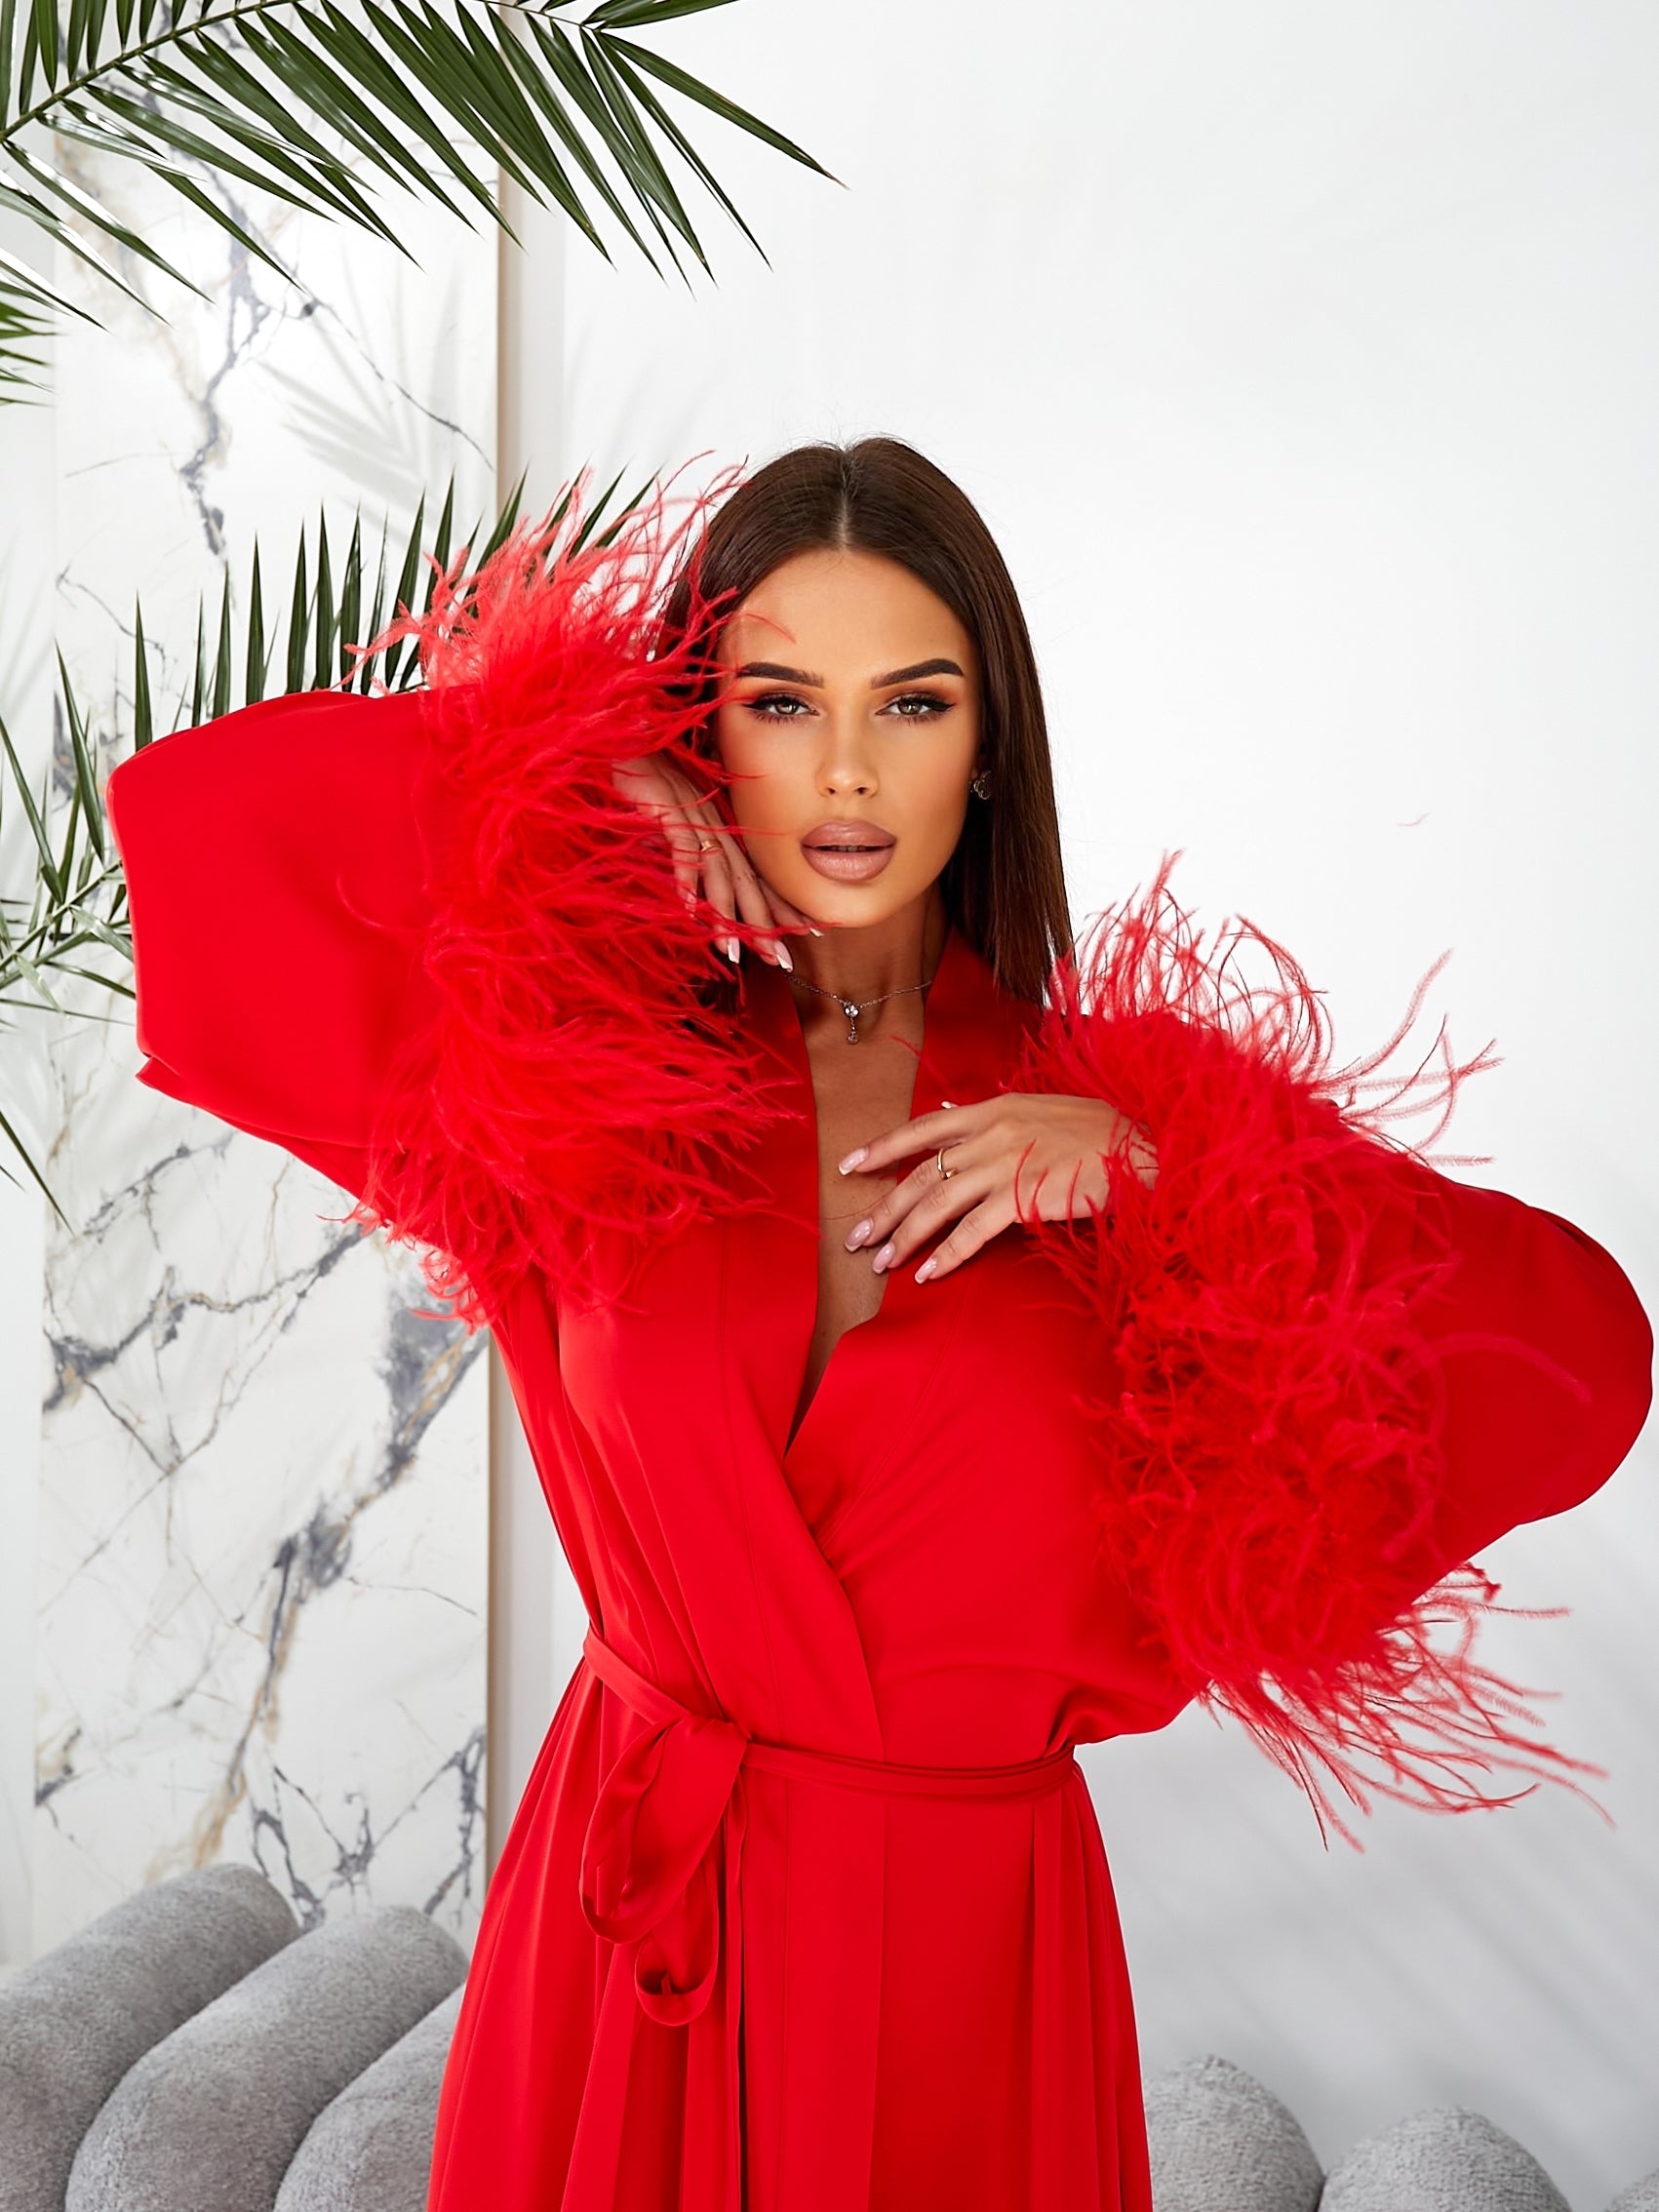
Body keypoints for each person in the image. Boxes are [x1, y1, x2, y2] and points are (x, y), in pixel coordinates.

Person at [105, 437, 1652, 2212]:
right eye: (776, 702)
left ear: (989, 746)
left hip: (962, 1983)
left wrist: (1166, 1170)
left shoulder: (1128, 1145)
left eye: (910, 704)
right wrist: (561, 767)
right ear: (711, 732)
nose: (842, 772)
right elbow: (191, 849)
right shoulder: (563, 1061)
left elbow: (1585, 1361)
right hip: (621, 1960)